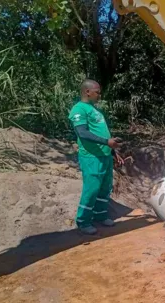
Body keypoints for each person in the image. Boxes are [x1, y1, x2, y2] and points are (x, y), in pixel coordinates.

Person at [68, 79, 124, 235]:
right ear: (87, 92)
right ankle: (83, 221)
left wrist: (113, 150)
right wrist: (107, 141)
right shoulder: (79, 109)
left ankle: (100, 215)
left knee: (105, 188)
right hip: (91, 157)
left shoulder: (95, 110)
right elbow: (82, 133)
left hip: (104, 155)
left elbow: (101, 132)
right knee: (91, 189)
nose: (99, 95)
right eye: (97, 92)